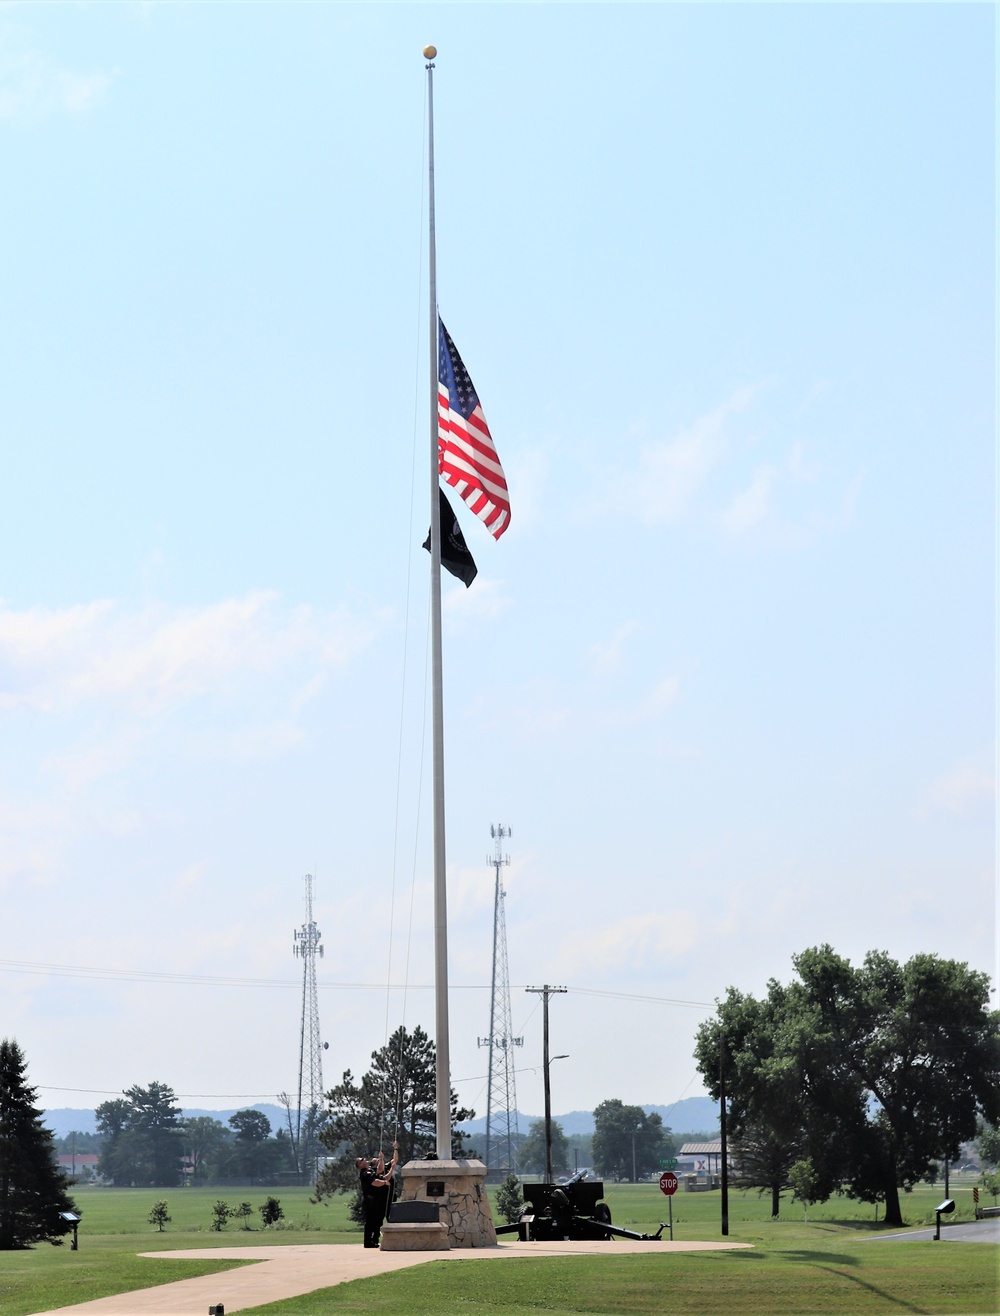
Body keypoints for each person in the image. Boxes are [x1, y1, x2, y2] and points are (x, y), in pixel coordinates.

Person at [356, 1140, 398, 1247]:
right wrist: (384, 1182)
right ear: (359, 1165)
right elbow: (375, 1182)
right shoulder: (365, 1173)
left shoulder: (371, 1171)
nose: (365, 1160)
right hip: (370, 1200)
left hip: (376, 1201)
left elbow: (383, 1177)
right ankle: (368, 1242)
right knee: (370, 1221)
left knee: (375, 1221)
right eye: (362, 1160)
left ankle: (373, 1241)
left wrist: (390, 1171)